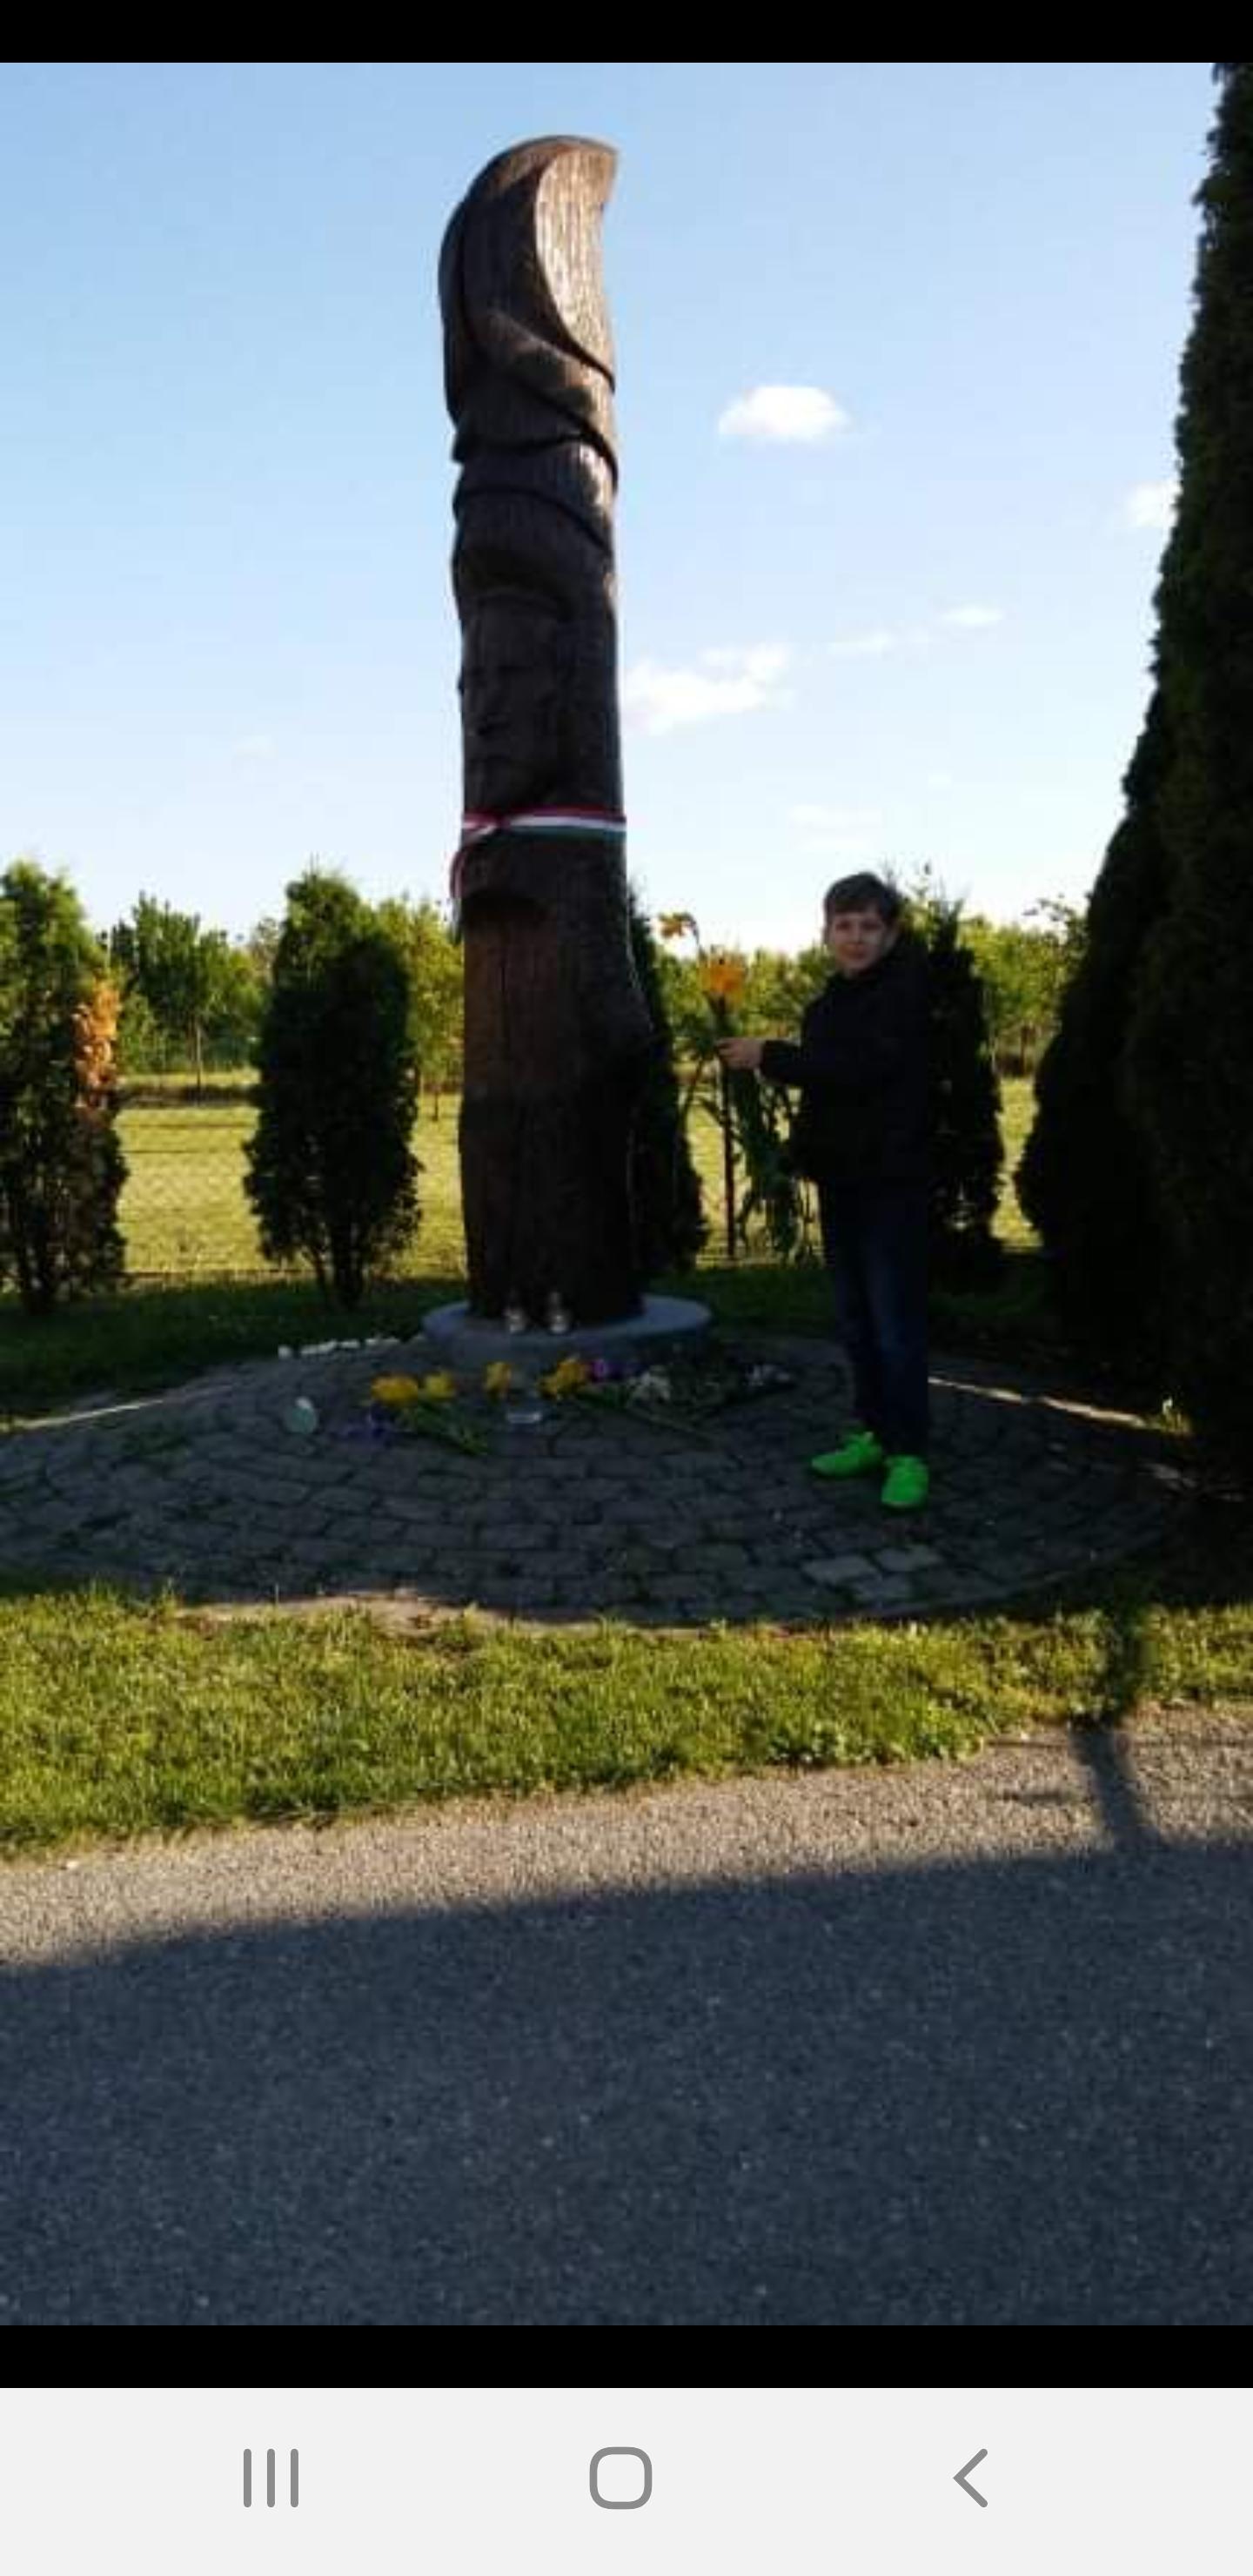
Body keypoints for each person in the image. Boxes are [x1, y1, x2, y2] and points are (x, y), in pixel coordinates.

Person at [718, 872, 931, 1511]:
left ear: (890, 935)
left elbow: (859, 1072)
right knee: (856, 1321)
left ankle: (909, 1453)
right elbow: (827, 1100)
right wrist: (791, 1156)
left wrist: (770, 1055)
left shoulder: (903, 999)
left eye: (869, 926)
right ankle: (873, 1433)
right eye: (845, 925)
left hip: (892, 1185)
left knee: (894, 1324)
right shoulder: (826, 1006)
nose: (856, 937)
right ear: (826, 933)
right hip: (844, 1183)